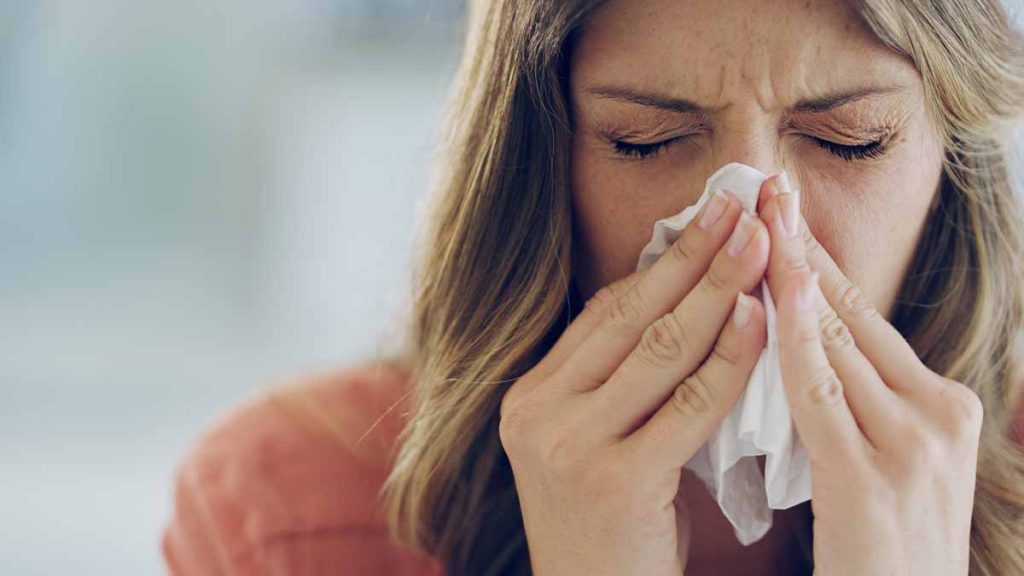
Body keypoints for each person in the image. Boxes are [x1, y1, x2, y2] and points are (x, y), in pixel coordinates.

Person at [161, 0, 1024, 574]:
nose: (757, 236)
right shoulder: (293, 512)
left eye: (851, 141)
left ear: (950, 162)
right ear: (536, 165)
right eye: (645, 141)